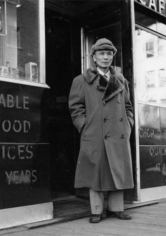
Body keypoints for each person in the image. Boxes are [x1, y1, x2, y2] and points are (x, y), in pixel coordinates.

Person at [68, 38, 134, 223]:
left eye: (109, 54)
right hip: (95, 133)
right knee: (96, 171)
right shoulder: (81, 81)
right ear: (94, 58)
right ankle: (96, 211)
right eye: (101, 54)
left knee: (117, 169)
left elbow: (128, 107)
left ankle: (116, 209)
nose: (106, 57)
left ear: (112, 57)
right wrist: (85, 126)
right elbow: (76, 108)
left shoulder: (120, 80)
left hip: (118, 132)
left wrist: (128, 125)